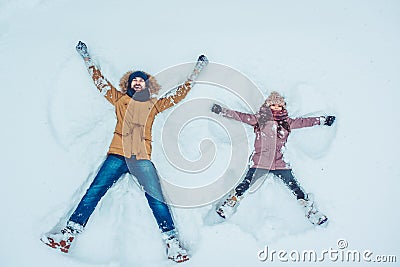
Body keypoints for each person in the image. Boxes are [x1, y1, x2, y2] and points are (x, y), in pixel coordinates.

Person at [41, 41, 208, 263]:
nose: (137, 82)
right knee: (94, 191)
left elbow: (178, 95)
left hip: (141, 159)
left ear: (147, 85)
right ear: (128, 84)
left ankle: (173, 244)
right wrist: (87, 58)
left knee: (156, 199)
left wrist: (196, 71)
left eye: (141, 80)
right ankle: (68, 235)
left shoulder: (154, 104)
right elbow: (100, 82)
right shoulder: (120, 100)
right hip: (118, 155)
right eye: (134, 80)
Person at [211, 91, 335, 226]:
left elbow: (305, 122)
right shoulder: (259, 120)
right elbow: (240, 116)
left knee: (295, 187)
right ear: (267, 106)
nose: (276, 107)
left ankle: (311, 211)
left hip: (280, 164)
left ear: (283, 107)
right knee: (245, 184)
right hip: (260, 163)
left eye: (278, 105)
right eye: (273, 105)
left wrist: (323, 120)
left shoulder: (287, 123)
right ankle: (229, 204)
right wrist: (222, 111)